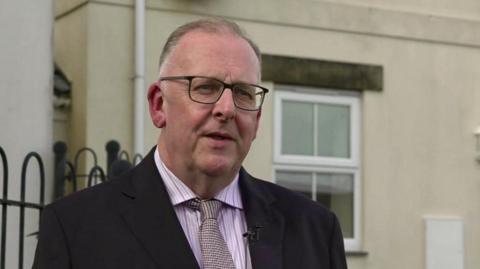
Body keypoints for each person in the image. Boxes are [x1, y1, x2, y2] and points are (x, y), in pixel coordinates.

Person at [33, 18, 347, 269]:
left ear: (258, 119)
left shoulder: (315, 230)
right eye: (206, 88)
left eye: (242, 93)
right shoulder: (75, 228)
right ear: (158, 105)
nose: (227, 108)